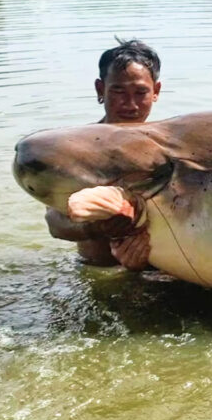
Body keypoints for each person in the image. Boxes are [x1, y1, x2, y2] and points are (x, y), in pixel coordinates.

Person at [43, 39, 161, 269]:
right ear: (100, 89)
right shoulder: (77, 150)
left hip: (152, 270)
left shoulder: (165, 149)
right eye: (118, 91)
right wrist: (99, 227)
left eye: (140, 92)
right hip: (100, 271)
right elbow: (54, 222)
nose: (130, 104)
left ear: (156, 92)